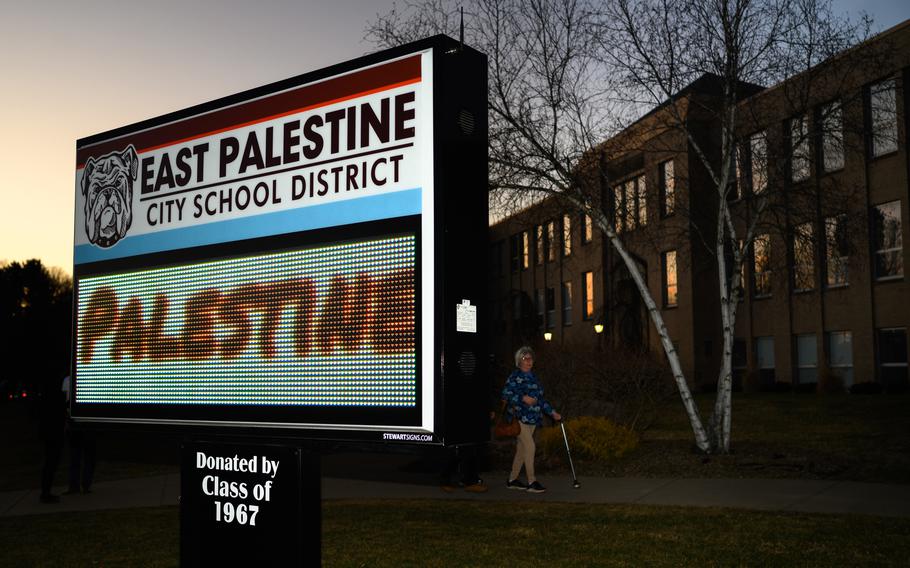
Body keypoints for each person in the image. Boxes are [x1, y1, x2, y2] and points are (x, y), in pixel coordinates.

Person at [501, 346, 561, 494]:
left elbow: (540, 400)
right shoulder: (514, 377)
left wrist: (552, 412)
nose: (529, 361)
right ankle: (531, 481)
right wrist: (522, 398)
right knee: (530, 447)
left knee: (522, 451)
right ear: (519, 361)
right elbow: (505, 394)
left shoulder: (535, 378)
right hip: (518, 418)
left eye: (530, 358)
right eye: (525, 358)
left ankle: (512, 480)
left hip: (533, 419)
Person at [62, 375, 96, 494]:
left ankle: (76, 485)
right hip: (83, 424)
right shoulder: (91, 378)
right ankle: (83, 485)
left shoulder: (67, 380)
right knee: (84, 456)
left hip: (77, 424)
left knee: (76, 456)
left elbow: (65, 401)